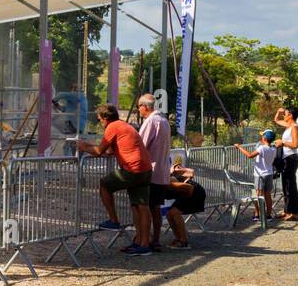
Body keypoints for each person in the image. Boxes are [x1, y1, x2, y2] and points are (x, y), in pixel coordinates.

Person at [73, 103, 153, 255]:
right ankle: (143, 244)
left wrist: (83, 146)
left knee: (104, 183)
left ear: (105, 118)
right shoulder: (124, 125)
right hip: (145, 169)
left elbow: (98, 151)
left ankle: (114, 220)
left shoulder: (113, 127)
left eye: (98, 120)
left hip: (132, 169)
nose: (99, 123)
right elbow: (109, 150)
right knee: (140, 206)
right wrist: (91, 146)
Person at [136, 93, 172, 251]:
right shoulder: (164, 121)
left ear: (144, 107)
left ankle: (143, 240)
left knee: (143, 207)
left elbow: (140, 144)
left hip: (150, 171)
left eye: (139, 107)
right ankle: (155, 239)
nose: (138, 110)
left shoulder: (151, 121)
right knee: (155, 208)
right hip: (161, 171)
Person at [235, 130, 277, 223]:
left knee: (259, 196)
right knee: (268, 196)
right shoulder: (274, 149)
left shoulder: (262, 148)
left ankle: (258, 215)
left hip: (260, 175)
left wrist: (239, 147)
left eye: (262, 136)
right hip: (269, 174)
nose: (261, 137)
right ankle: (268, 216)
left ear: (264, 138)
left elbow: (250, 155)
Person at [162, 161, 204, 248]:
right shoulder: (157, 185)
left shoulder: (168, 184)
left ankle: (183, 241)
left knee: (174, 212)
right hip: (186, 192)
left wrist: (184, 202)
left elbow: (190, 188)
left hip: (194, 192)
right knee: (169, 214)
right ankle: (178, 239)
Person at [272, 106, 298, 221]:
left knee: (290, 186)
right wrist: (279, 112)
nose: (284, 115)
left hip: (291, 158)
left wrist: (282, 142)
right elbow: (276, 120)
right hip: (286, 158)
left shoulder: (295, 128)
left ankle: (294, 213)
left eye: (286, 113)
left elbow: (295, 144)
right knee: (286, 186)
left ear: (291, 116)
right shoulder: (289, 126)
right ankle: (287, 211)